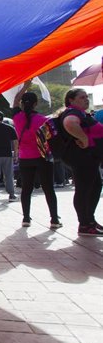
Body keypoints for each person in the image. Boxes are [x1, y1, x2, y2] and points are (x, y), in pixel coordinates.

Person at [12, 82, 60, 229]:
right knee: (48, 189)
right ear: (36, 104)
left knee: (26, 189)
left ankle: (26, 218)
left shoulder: (17, 118)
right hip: (42, 157)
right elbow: (50, 139)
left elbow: (14, 102)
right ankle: (54, 220)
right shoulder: (44, 120)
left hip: (25, 158)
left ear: (22, 104)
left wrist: (25, 86)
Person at [61, 88, 103, 236]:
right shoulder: (73, 113)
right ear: (71, 100)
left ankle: (89, 221)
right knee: (84, 190)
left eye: (86, 97)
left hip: (88, 159)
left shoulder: (80, 113)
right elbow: (69, 123)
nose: (86, 99)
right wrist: (84, 139)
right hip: (84, 158)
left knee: (94, 187)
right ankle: (84, 224)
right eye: (82, 97)